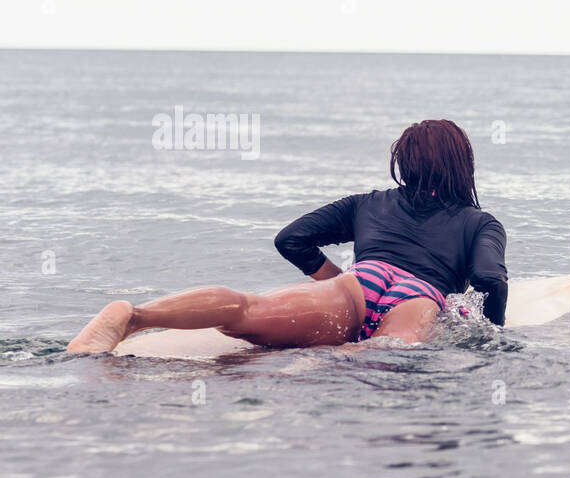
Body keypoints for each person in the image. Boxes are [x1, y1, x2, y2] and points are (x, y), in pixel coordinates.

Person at [67, 119, 508, 353]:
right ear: (462, 165)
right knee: (385, 355)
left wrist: (341, 283)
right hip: (419, 299)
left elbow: (291, 238)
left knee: (245, 311)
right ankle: (308, 371)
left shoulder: (368, 203)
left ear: (404, 164)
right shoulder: (480, 222)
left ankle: (133, 316)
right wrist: (494, 333)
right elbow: (490, 280)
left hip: (357, 283)